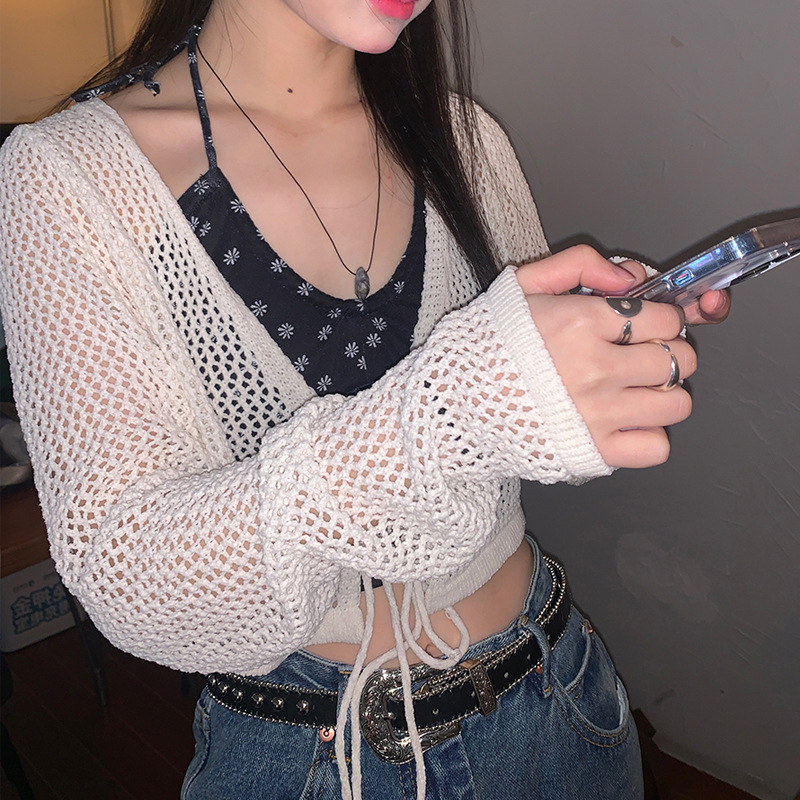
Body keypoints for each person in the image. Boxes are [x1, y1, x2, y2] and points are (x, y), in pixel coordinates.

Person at [0, 0, 730, 798]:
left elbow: (508, 450)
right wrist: (449, 412)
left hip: (558, 695)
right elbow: (132, 584)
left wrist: (597, 353)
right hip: (316, 753)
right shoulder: (71, 173)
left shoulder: (464, 137)